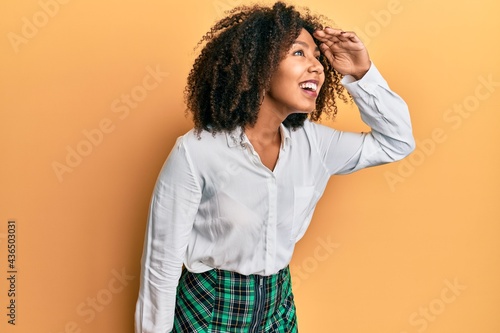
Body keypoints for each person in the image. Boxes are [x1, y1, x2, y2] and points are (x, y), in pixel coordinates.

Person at [134, 2, 415, 332]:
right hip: (211, 308)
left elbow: (397, 141)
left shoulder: (316, 145)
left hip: (278, 306)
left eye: (318, 57)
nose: (317, 67)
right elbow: (161, 265)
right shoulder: (197, 151)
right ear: (258, 67)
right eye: (299, 53)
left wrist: (361, 72)